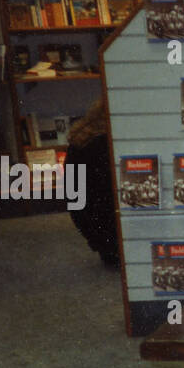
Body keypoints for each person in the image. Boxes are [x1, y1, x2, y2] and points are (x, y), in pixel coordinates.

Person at [67, 98, 120, 266]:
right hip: (114, 231)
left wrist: (93, 240)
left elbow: (74, 198)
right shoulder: (108, 144)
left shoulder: (79, 141)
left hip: (101, 235)